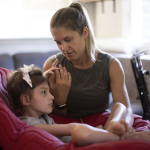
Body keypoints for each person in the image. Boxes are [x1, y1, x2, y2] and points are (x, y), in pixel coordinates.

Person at [43, 2, 134, 136]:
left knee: (120, 107)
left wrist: (125, 125)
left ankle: (111, 132)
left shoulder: (111, 65)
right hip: (69, 126)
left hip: (103, 122)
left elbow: (126, 108)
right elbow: (54, 117)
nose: (63, 47)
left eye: (68, 39)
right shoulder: (52, 66)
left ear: (85, 32)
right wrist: (60, 100)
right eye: (58, 42)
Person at [6, 64, 150, 146]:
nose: (52, 96)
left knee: (120, 106)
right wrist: (92, 130)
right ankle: (129, 136)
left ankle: (110, 128)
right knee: (78, 131)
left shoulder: (42, 116)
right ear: (25, 100)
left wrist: (97, 129)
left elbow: (33, 88)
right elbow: (70, 128)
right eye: (44, 92)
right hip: (81, 139)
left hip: (90, 134)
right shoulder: (29, 125)